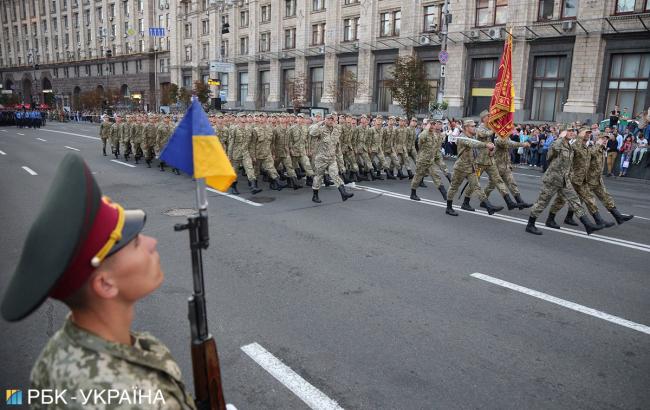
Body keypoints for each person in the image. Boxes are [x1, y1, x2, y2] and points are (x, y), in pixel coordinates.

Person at [1, 153, 197, 409]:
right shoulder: (132, 398)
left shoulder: (59, 351)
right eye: (136, 243)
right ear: (105, 284)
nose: (152, 243)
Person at [525, 130, 603, 235]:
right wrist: (560, 137)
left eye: (573, 132)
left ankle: (588, 225)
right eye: (569, 131)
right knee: (542, 202)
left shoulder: (569, 146)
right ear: (563, 133)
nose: (571, 133)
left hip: (565, 180)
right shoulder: (558, 144)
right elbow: (552, 151)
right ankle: (530, 225)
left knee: (575, 201)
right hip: (553, 179)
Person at [444, 119, 503, 216]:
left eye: (474, 126)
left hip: (471, 167)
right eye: (472, 126)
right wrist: (486, 145)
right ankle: (449, 207)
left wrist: (491, 147)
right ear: (466, 127)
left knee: (477, 186)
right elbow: (473, 143)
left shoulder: (473, 136)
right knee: (454, 187)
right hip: (461, 168)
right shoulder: (462, 137)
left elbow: (478, 144)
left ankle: (488, 206)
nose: (474, 127)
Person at [309, 113, 354, 203]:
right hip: (321, 158)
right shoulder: (320, 130)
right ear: (325, 119)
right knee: (318, 177)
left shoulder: (336, 130)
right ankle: (315, 195)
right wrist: (319, 123)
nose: (330, 121)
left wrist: (339, 157)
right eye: (328, 119)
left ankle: (343, 193)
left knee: (335, 175)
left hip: (331, 158)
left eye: (332, 119)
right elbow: (312, 132)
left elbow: (336, 144)